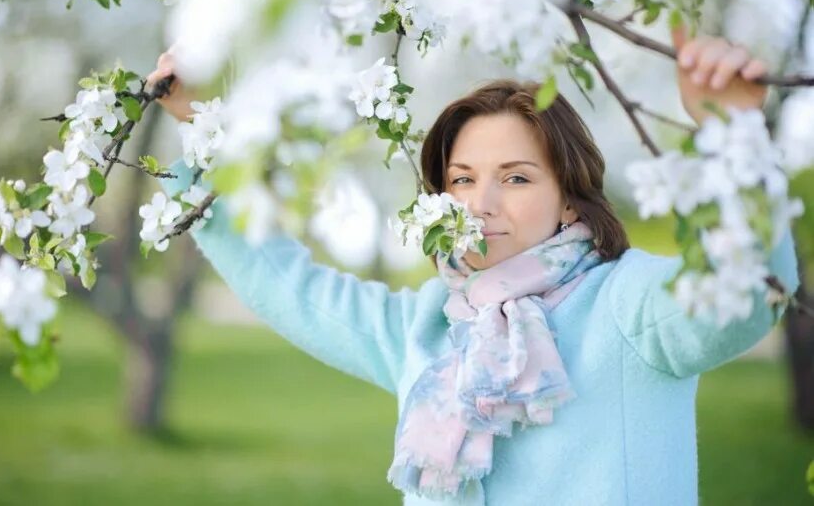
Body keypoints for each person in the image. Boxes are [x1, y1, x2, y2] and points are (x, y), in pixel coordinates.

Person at [146, 28, 798, 506]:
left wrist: (731, 131)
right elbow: (287, 285)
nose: (480, 204)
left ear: (570, 196)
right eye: (461, 179)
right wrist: (203, 132)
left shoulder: (629, 303)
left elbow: (742, 297)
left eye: (514, 178)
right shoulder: (426, 325)